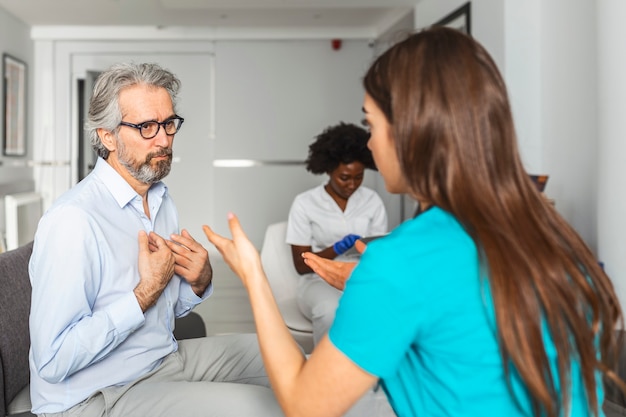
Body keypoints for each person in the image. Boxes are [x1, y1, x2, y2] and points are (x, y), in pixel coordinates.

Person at [203, 27, 625, 417]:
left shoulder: (402, 259)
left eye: (372, 123)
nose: (369, 142)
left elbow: (304, 403)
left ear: (411, 130)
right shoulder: (549, 231)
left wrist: (252, 273)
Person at [28, 62, 283, 417]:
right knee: (259, 410)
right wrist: (144, 292)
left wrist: (197, 281)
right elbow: (53, 360)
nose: (163, 139)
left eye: (168, 124)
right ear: (107, 136)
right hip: (97, 396)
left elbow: (166, 310)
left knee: (284, 356)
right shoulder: (73, 220)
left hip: (161, 360)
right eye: (146, 126)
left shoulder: (159, 198)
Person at [286, 122, 388, 346]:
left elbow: (379, 255)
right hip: (317, 280)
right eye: (344, 177)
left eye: (359, 177)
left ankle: (368, 374)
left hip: (359, 276)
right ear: (329, 169)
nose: (352, 184)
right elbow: (301, 266)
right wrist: (337, 249)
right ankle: (324, 374)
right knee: (331, 310)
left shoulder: (372, 201)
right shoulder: (305, 203)